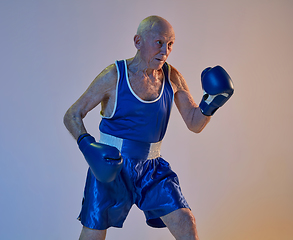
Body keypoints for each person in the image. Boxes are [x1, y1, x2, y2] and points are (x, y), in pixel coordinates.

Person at [64, 15, 234, 240]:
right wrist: (87, 145)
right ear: (138, 42)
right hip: (111, 166)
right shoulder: (114, 76)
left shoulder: (172, 76)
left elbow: (195, 123)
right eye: (159, 42)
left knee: (185, 220)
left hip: (152, 168)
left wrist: (211, 102)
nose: (165, 50)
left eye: (170, 44)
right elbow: (72, 114)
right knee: (93, 231)